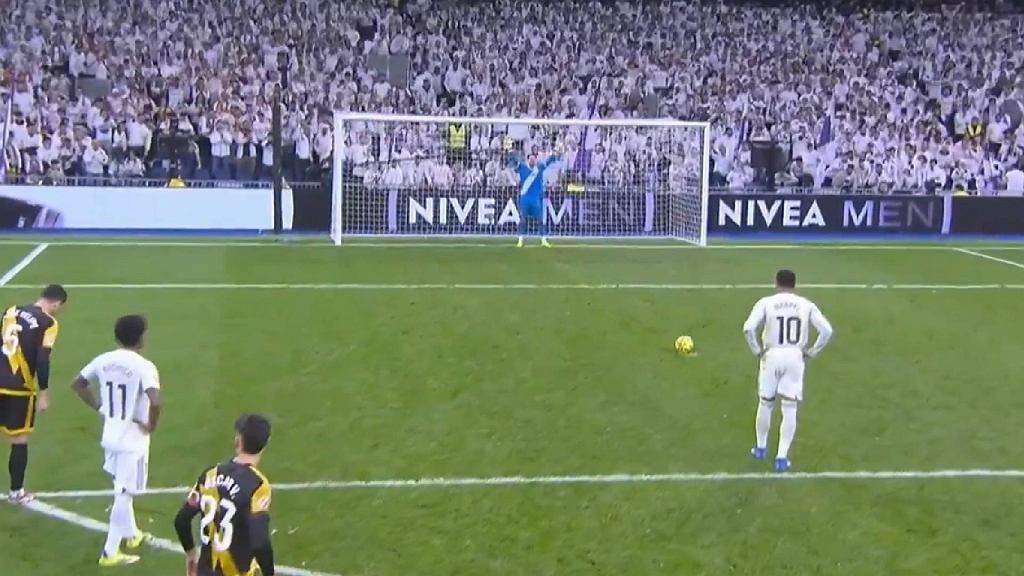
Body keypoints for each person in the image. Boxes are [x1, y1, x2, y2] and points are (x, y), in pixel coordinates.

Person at [71, 314, 161, 567]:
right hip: (133, 439)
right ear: (141, 338)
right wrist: (151, 425)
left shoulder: (104, 360)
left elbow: (78, 384)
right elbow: (155, 401)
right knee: (124, 493)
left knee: (121, 484)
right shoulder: (144, 366)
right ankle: (110, 551)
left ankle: (131, 534)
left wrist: (100, 407)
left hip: (110, 435)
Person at [742, 270, 833, 472]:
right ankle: (781, 458)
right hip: (795, 357)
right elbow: (827, 330)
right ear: (795, 284)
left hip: (771, 355)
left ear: (776, 283)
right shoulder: (806, 305)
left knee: (766, 402)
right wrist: (812, 352)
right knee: (790, 407)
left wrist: (757, 351)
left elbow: (748, 328)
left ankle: (760, 448)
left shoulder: (766, 302)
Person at [174, 414, 275, 576]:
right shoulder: (258, 485)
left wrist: (191, 555)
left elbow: (182, 520)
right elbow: (260, 543)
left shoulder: (209, 474)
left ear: (237, 440)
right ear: (266, 444)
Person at [0, 284, 68, 503]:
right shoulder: (48, 322)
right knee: (19, 439)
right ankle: (16, 492)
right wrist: (44, 392)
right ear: (56, 303)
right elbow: (42, 359)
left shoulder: (10, 311)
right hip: (19, 387)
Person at [510, 142, 562, 248]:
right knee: (523, 219)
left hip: (535, 200)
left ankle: (543, 240)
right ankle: (520, 240)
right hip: (525, 199)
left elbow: (550, 161)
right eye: (531, 159)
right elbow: (513, 162)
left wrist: (555, 153)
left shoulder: (540, 167)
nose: (532, 160)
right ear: (528, 160)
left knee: (540, 220)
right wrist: (510, 152)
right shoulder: (522, 167)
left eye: (534, 159)